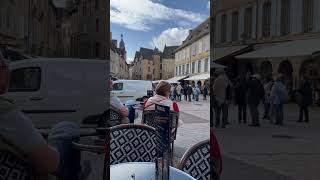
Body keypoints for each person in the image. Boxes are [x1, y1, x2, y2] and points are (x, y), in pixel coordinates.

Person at [0, 56, 81, 180]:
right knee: (67, 129)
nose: (8, 67)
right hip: (35, 172)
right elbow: (52, 164)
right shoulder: (5, 113)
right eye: (3, 66)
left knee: (61, 129)